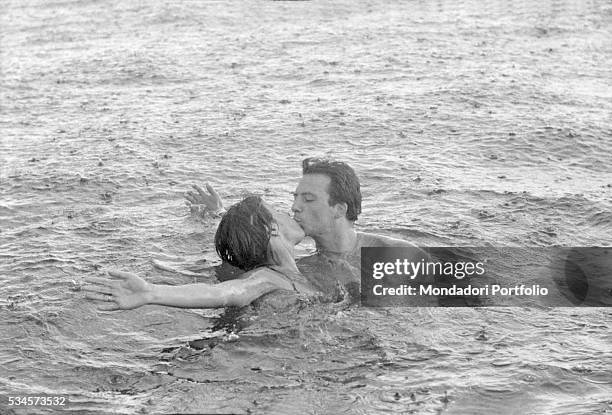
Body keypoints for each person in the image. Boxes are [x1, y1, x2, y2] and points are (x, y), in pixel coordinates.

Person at [185, 158, 428, 294]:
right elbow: (247, 251)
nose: (295, 207)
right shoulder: (300, 270)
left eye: (308, 199)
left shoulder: (395, 253)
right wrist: (222, 216)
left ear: (339, 209)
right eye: (295, 198)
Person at [84, 196, 318, 311]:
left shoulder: (284, 274)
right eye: (278, 211)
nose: (291, 211)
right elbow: (224, 292)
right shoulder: (267, 278)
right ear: (272, 228)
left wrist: (220, 213)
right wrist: (152, 292)